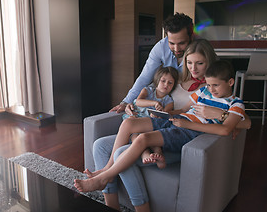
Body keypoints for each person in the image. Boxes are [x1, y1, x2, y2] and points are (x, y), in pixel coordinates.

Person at [83, 39, 251, 212]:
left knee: (122, 152)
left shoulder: (217, 88)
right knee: (102, 144)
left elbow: (244, 121)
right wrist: (130, 104)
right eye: (189, 62)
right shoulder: (176, 79)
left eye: (199, 63)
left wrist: (223, 117)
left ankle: (107, 179)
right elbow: (178, 107)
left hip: (182, 133)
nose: (193, 68)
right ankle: (109, 195)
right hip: (168, 120)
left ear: (209, 62)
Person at [110, 13, 195, 113]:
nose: (176, 49)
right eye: (171, 43)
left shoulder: (200, 50)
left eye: (181, 43)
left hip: (187, 101)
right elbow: (145, 77)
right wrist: (125, 102)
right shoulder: (161, 47)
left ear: (191, 36)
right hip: (163, 100)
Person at [122, 66, 179, 167]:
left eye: (170, 83)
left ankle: (158, 154)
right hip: (136, 120)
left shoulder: (169, 101)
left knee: (152, 136)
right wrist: (154, 102)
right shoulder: (148, 91)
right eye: (163, 81)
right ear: (157, 80)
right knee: (136, 136)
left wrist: (158, 114)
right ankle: (145, 154)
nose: (166, 84)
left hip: (150, 125)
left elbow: (165, 114)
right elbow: (138, 102)